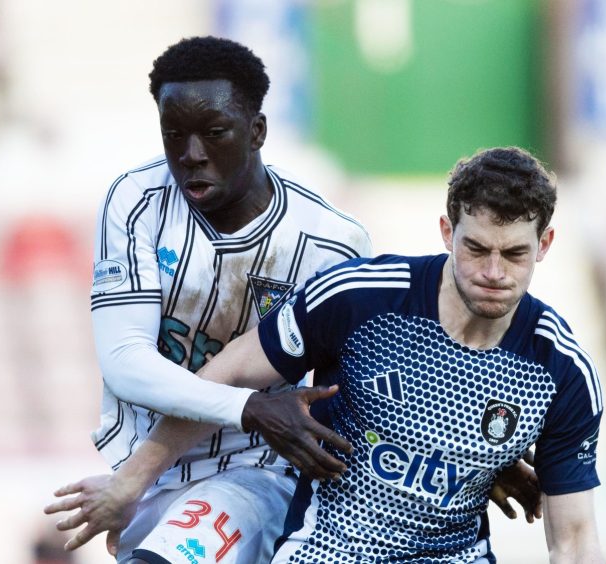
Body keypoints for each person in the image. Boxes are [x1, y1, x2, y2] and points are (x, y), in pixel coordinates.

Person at [44, 38, 539, 564]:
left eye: (214, 133)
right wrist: (251, 409)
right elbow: (125, 363)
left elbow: (379, 376)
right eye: (174, 135)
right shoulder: (136, 201)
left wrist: (473, 454)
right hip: (145, 465)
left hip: (255, 470)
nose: (191, 155)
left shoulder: (332, 244)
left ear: (257, 131)